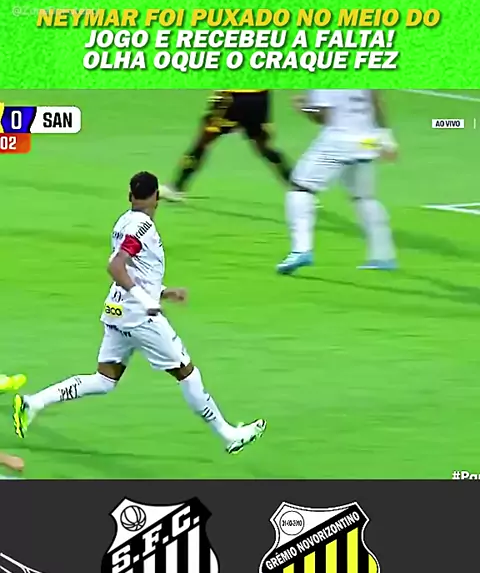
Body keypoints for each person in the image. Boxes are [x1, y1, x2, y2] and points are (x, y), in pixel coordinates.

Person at [13, 172, 265, 456]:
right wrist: (146, 300)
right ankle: (228, 434)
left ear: (130, 196)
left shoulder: (123, 221)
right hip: (140, 318)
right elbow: (116, 266)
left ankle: (34, 402)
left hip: (117, 310)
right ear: (157, 197)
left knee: (104, 380)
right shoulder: (142, 227)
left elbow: (134, 271)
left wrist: (163, 291)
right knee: (187, 372)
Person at [276, 90, 398, 274]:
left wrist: (305, 108)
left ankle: (301, 250)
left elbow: (323, 116)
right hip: (367, 142)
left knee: (300, 188)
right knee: (364, 198)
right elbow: (376, 100)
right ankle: (383, 257)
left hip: (338, 141)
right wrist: (387, 139)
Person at [159, 90, 292, 200]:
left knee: (203, 141)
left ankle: (177, 187)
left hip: (233, 97)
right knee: (264, 146)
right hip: (260, 97)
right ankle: (296, 185)